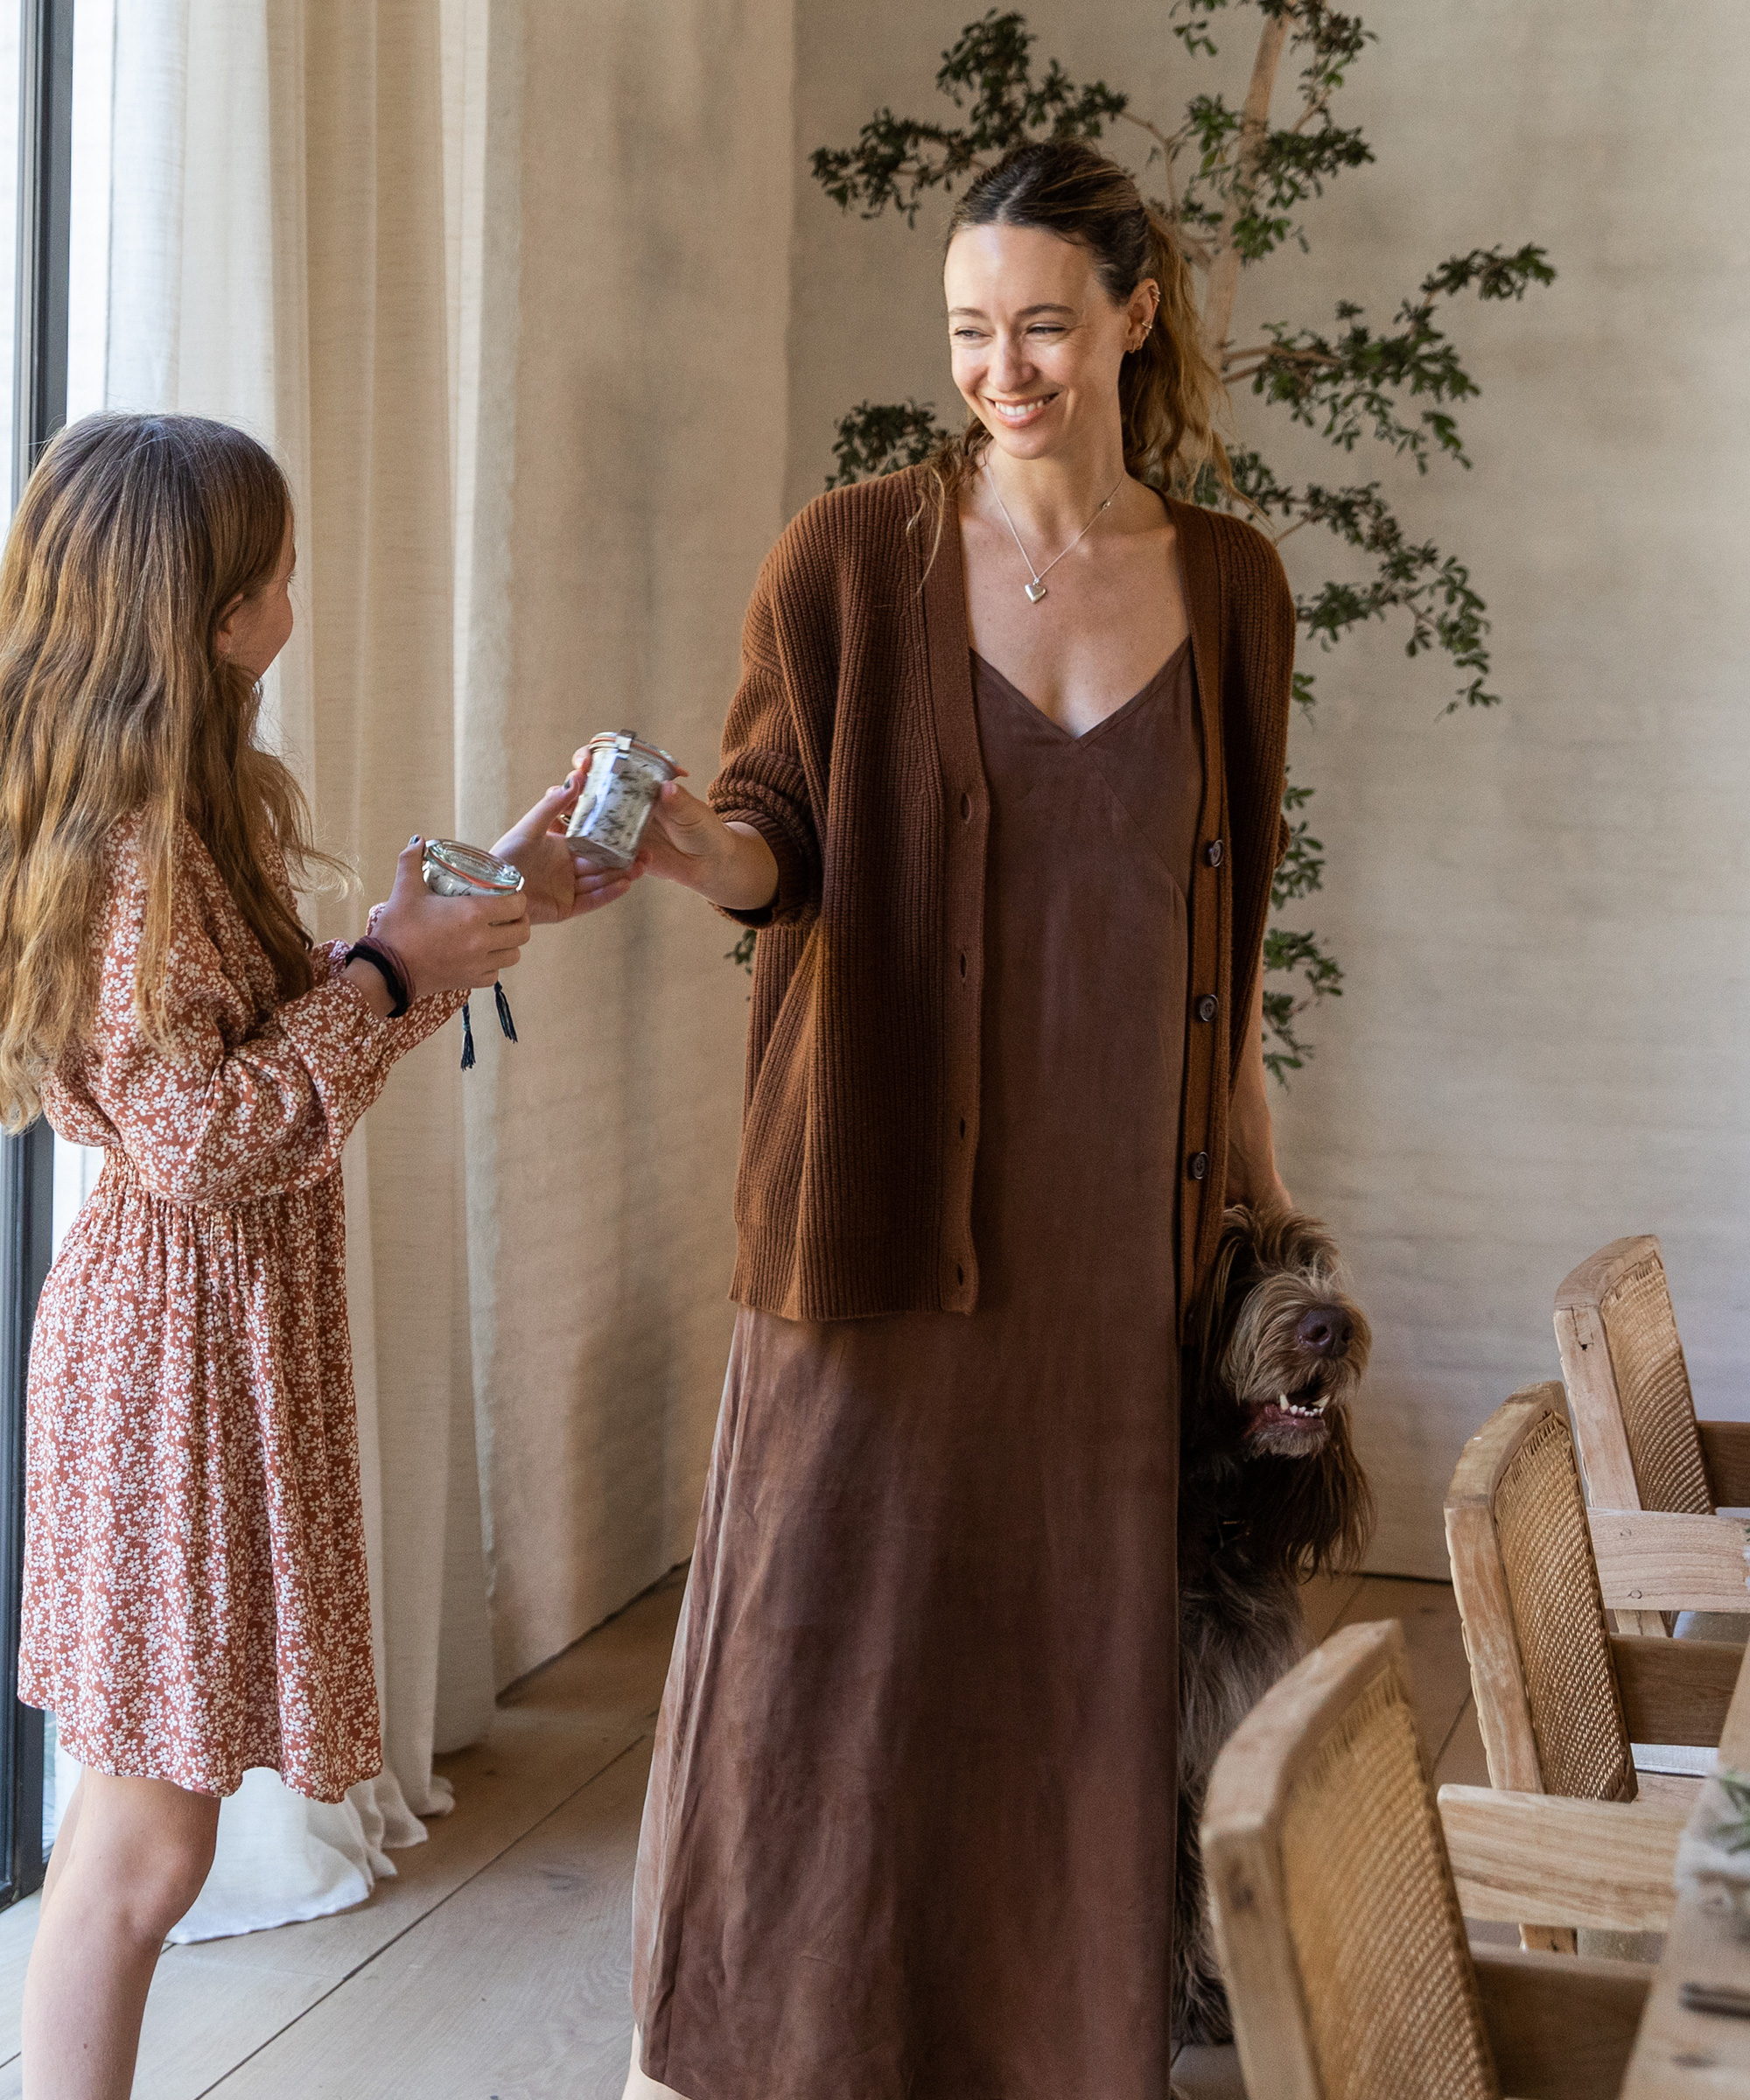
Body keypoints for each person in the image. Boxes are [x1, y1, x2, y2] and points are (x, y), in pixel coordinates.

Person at [617, 137, 1294, 2100]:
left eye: (1044, 327)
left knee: (1078, 1679)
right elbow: (779, 853)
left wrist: (1261, 1212)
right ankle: (771, 2048)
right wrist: (691, 849)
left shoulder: (1232, 589)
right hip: (874, 1222)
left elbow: (1227, 935)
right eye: (968, 332)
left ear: (1135, 317)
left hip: (1115, 1260)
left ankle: (1051, 2053)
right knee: (826, 1657)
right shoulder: (847, 558)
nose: (1002, 369)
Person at [0, 412, 626, 2100]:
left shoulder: (165, 811)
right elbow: (207, 1141)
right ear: (213, 614)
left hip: (197, 1347)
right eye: (276, 569)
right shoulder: (138, 853)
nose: (297, 590)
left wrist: (447, 927)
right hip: (167, 1367)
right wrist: (392, 975)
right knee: (139, 1852)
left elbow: (270, 1066)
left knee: (144, 1846)